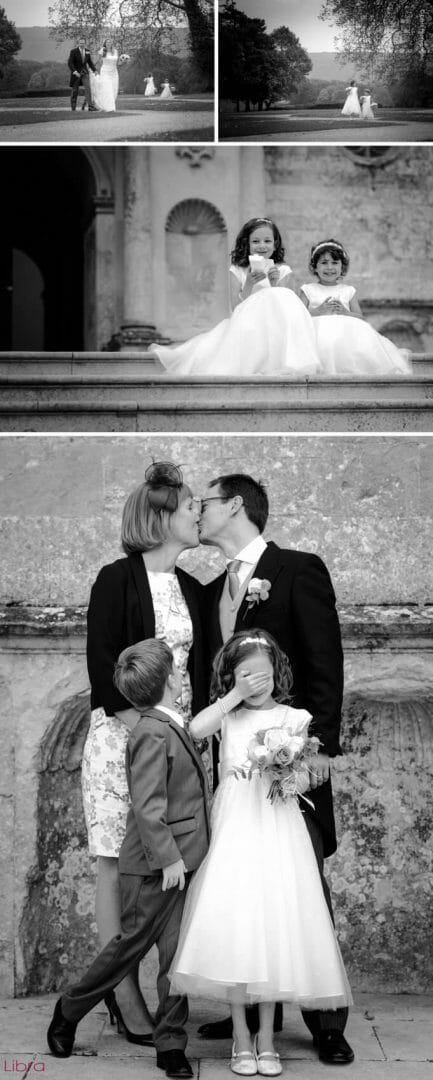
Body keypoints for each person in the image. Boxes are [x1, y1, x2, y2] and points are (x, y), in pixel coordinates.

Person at [196, 473, 354, 1066]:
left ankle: (326, 1020)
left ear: (234, 505)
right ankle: (257, 1001)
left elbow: (325, 665)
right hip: (235, 770)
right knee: (247, 890)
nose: (197, 512)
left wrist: (316, 752)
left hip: (292, 765)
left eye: (203, 503)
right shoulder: (213, 586)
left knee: (300, 883)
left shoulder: (298, 569)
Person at [170, 630, 352, 1075]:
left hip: (278, 827)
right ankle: (239, 1036)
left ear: (279, 674)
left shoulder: (295, 717)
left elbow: (311, 775)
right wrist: (233, 695)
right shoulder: (227, 716)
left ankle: (267, 1038)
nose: (257, 683)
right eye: (246, 675)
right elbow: (195, 730)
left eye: (264, 675)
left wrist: (291, 774)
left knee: (273, 924)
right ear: (231, 677)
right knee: (238, 923)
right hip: (236, 828)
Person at [82, 461, 207, 1044]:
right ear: (160, 518)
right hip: (121, 739)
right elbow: (102, 664)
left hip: (175, 745)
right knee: (115, 861)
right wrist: (143, 731)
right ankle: (121, 989)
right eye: (189, 507)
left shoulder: (192, 589)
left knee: (165, 861)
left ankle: (169, 986)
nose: (197, 513)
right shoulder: (115, 578)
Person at [47, 638, 211, 1080]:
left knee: (176, 956)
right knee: (128, 949)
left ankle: (171, 1044)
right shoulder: (151, 732)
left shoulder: (171, 722)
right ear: (167, 682)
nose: (181, 674)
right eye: (176, 669)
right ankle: (70, 1009)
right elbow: (147, 805)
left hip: (184, 859)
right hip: (155, 865)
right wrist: (170, 859)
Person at [150, 217, 320, 377]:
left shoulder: (283, 269)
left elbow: (287, 305)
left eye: (267, 241)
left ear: (275, 245)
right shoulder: (238, 270)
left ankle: (284, 359)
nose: (262, 245)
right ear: (247, 244)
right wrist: (249, 284)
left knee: (280, 294)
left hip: (276, 324)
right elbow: (235, 306)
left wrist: (274, 282)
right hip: (249, 320)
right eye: (256, 241)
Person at [300, 239, 412, 376]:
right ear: (315, 267)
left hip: (345, 336)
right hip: (316, 336)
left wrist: (345, 312)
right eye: (324, 263)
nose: (329, 267)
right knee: (326, 341)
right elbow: (298, 314)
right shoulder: (308, 289)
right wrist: (319, 311)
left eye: (335, 263)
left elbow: (360, 317)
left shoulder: (348, 290)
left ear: (342, 267)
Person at [68, 38, 97, 112]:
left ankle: (90, 107)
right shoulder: (73, 51)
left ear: (85, 43)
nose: (82, 44)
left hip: (85, 73)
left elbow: (89, 62)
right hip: (76, 74)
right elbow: (70, 63)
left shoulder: (87, 51)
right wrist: (74, 71)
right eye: (80, 43)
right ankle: (73, 108)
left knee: (88, 89)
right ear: (78, 43)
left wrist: (95, 70)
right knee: (75, 91)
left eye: (83, 43)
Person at [90, 41, 120, 111]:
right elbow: (97, 60)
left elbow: (118, 64)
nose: (108, 43)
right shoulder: (102, 51)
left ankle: (105, 105)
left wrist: (123, 61)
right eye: (107, 42)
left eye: (110, 42)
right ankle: (110, 108)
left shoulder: (115, 51)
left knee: (114, 90)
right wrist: (93, 69)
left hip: (114, 73)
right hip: (105, 72)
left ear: (112, 43)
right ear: (105, 44)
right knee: (107, 89)